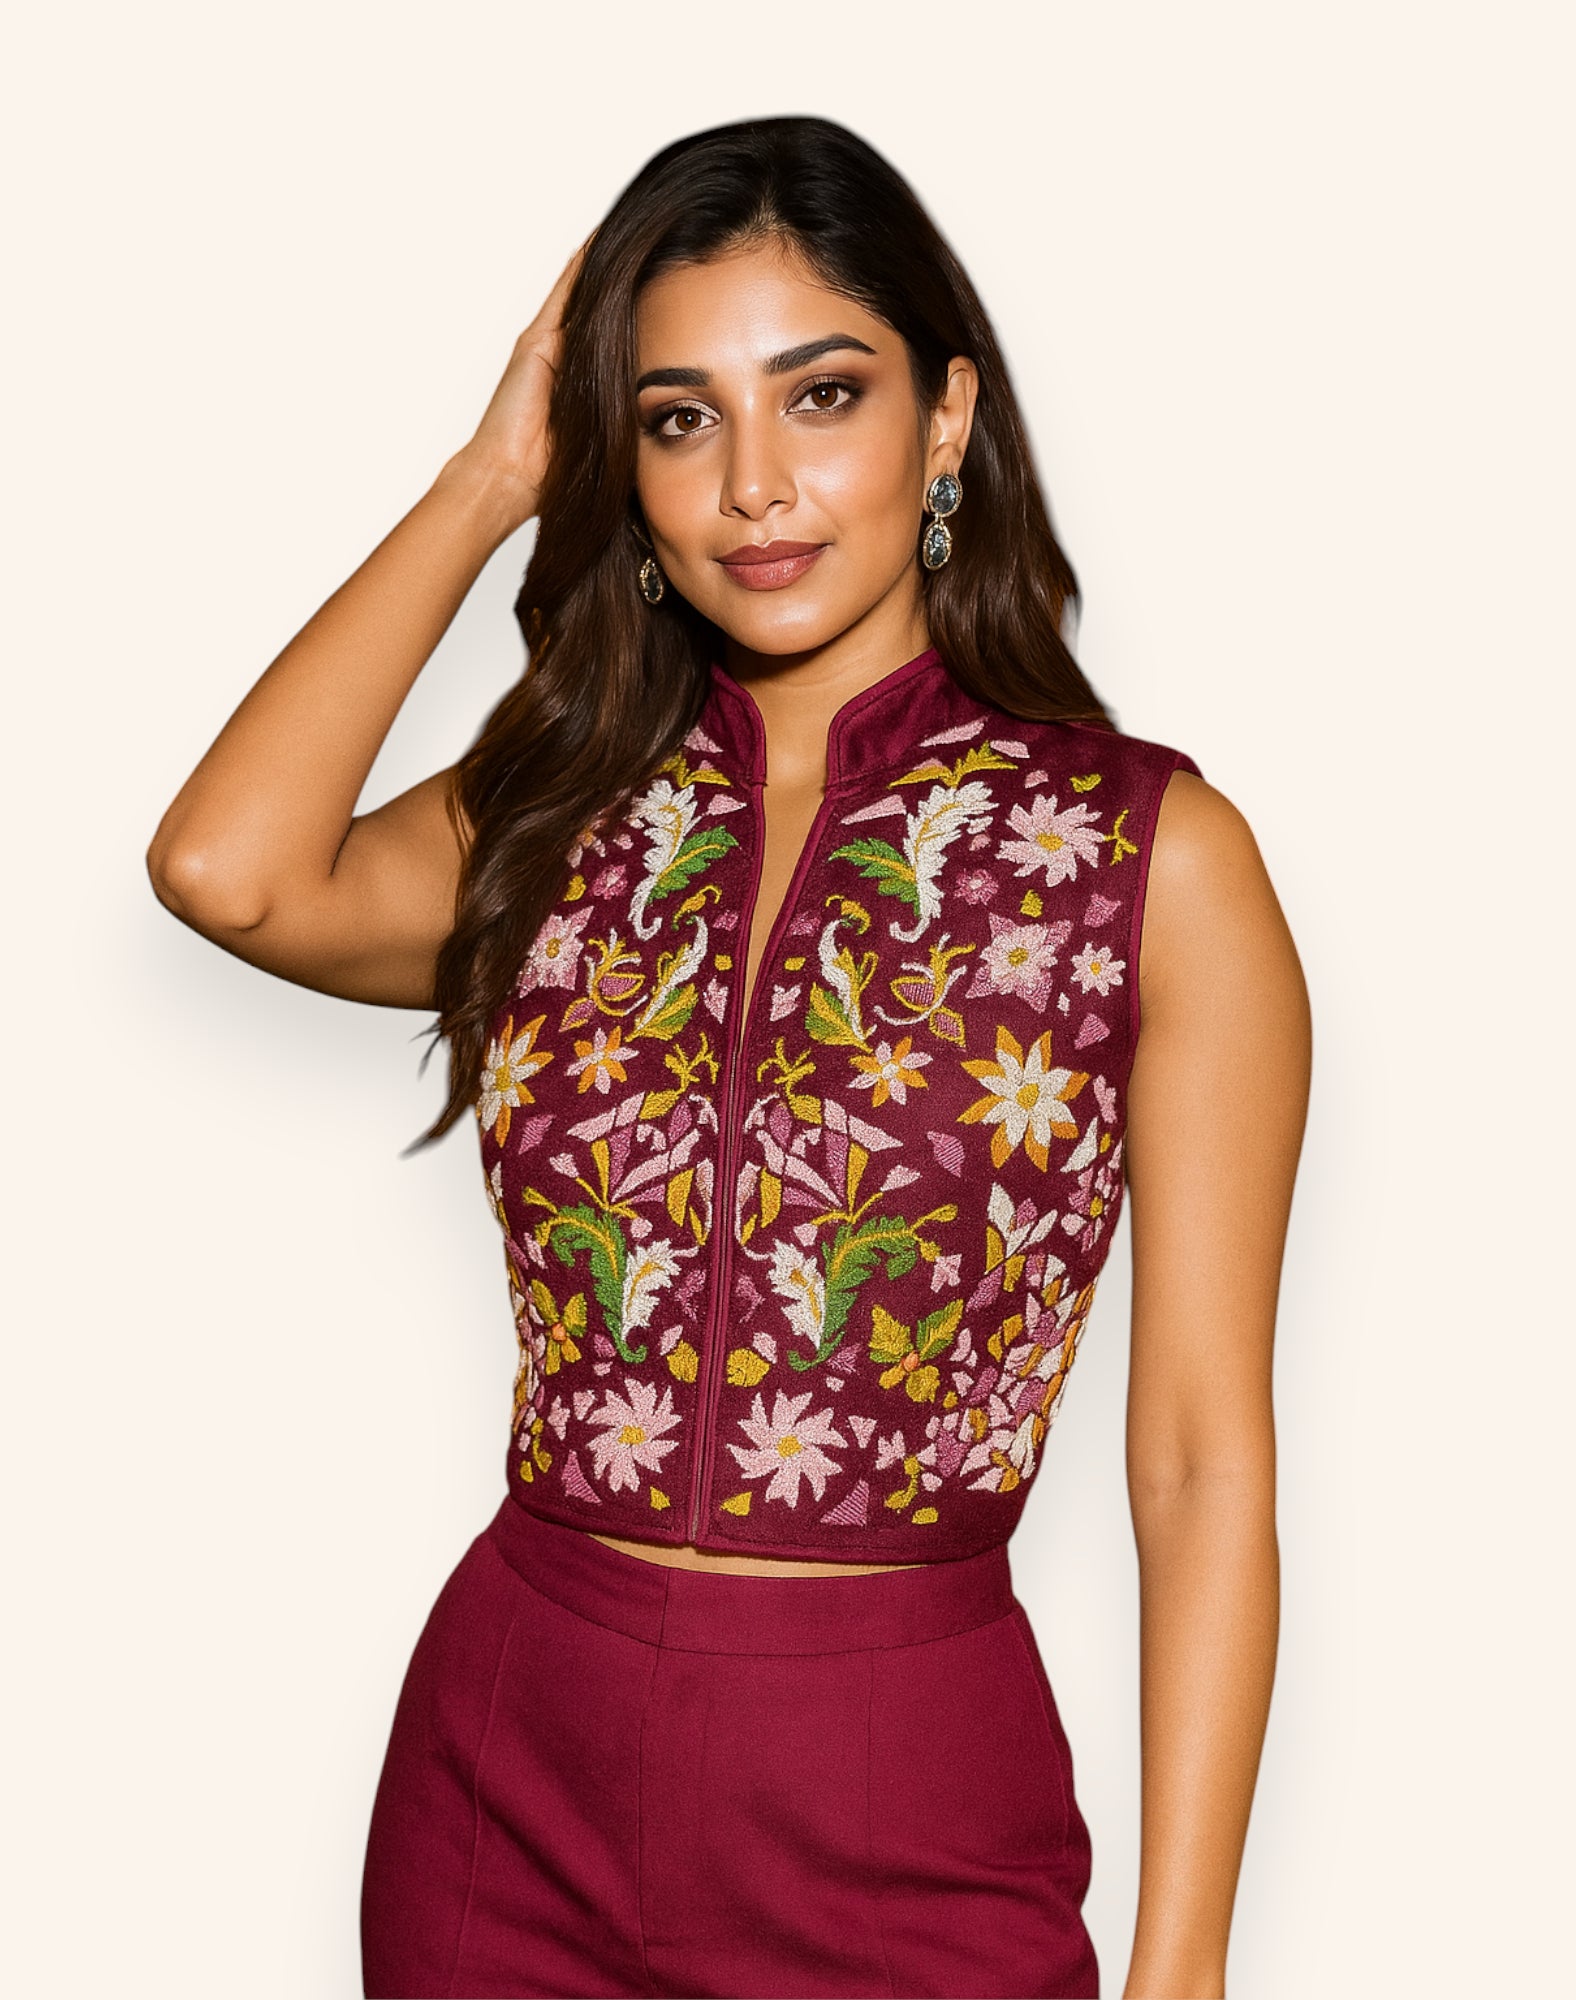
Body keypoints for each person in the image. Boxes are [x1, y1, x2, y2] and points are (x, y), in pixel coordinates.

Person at [147, 115, 1309, 2000]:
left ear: (947, 421)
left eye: (821, 397)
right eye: (678, 419)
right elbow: (230, 870)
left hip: (904, 1803)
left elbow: (1195, 1464)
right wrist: (486, 480)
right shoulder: (561, 812)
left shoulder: (1147, 863)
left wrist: (1182, 1974)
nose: (754, 490)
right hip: (509, 1776)